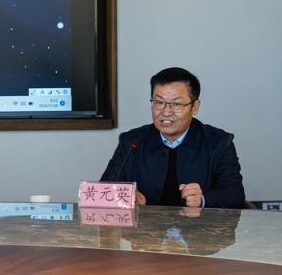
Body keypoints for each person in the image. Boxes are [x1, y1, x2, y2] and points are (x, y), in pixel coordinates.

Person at [97, 67, 245, 208]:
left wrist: (203, 199)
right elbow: (103, 190)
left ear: (195, 107)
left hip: (197, 225)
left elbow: (235, 194)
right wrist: (125, 195)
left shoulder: (219, 142)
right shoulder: (132, 141)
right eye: (159, 102)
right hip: (146, 225)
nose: (166, 112)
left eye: (176, 104)